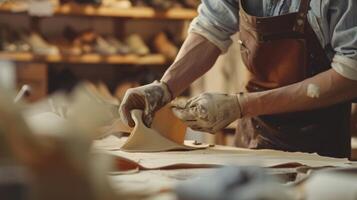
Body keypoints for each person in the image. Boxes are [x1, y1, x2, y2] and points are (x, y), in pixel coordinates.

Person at [119, 0, 357, 158]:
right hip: (253, 133)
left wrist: (241, 105)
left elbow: (350, 75)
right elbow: (211, 27)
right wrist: (164, 88)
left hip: (317, 145)